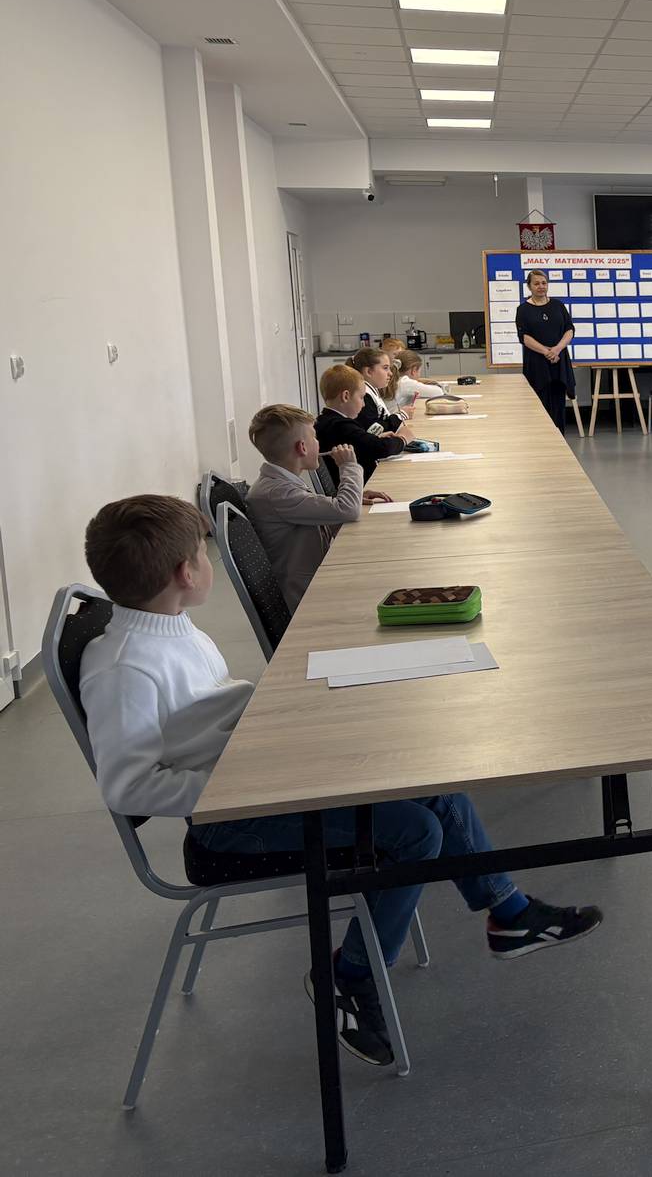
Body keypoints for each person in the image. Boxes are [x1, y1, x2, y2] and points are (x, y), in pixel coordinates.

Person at [79, 495, 604, 1067]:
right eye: (203, 554)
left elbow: (208, 723)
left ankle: (509, 913)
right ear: (186, 573)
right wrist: (243, 782)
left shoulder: (172, 627)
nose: (209, 563)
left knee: (420, 776)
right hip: (231, 821)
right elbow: (128, 787)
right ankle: (351, 976)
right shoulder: (124, 667)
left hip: (265, 776)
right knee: (416, 833)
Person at [244, 404, 392, 611]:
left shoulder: (279, 484)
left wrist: (353, 495)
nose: (318, 442)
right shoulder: (277, 493)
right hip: (307, 595)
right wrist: (349, 466)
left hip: (314, 578)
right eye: (314, 437)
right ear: (302, 448)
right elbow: (347, 510)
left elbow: (325, 512)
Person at [316, 365, 409, 482]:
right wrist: (403, 439)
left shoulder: (325, 420)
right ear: (346, 396)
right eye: (361, 398)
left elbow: (362, 443)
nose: (364, 404)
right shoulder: (340, 426)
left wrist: (375, 438)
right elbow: (379, 448)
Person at [515, 269, 576, 429]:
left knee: (558, 406)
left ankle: (560, 439)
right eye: (536, 283)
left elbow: (569, 330)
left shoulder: (558, 305)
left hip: (559, 361)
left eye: (544, 283)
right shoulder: (523, 310)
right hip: (537, 363)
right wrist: (546, 352)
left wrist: (557, 349)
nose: (541, 286)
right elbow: (524, 337)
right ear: (529, 286)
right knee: (539, 406)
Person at [346, 347, 406, 430]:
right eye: (385, 368)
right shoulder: (364, 395)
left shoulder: (372, 389)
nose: (390, 373)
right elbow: (374, 429)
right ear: (368, 372)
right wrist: (400, 416)